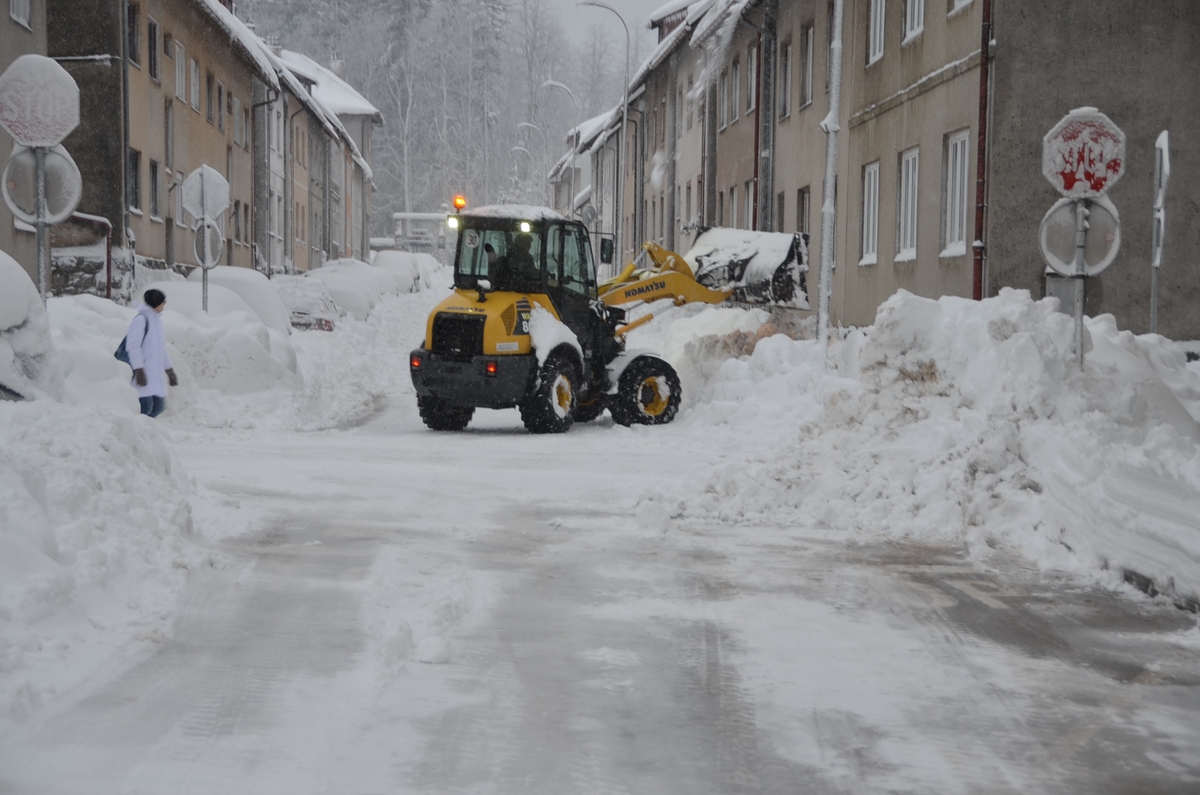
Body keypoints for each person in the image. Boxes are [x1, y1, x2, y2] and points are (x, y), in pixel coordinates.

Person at [126, 288, 177, 418]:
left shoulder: (157, 322)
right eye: (162, 301)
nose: (164, 304)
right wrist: (138, 370)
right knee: (145, 409)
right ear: (155, 302)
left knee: (159, 407)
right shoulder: (141, 320)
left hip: (154, 375)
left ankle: (148, 432)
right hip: (142, 374)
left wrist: (169, 370)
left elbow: (161, 348)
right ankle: (137, 432)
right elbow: (133, 346)